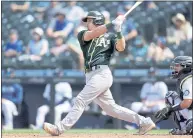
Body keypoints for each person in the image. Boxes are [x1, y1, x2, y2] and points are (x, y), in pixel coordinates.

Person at [43, 11, 155, 136]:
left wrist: (118, 30)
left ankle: (59, 128)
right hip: (90, 75)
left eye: (90, 21)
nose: (87, 23)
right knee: (111, 109)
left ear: (97, 21)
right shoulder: (83, 34)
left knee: (80, 100)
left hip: (102, 73)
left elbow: (121, 47)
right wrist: (112, 23)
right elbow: (95, 33)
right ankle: (144, 122)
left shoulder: (110, 37)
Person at [154, 56, 192, 135]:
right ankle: (185, 128)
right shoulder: (187, 78)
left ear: (186, 66)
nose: (174, 68)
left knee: (170, 96)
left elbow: (187, 102)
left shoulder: (188, 80)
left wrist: (170, 109)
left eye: (177, 65)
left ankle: (183, 129)